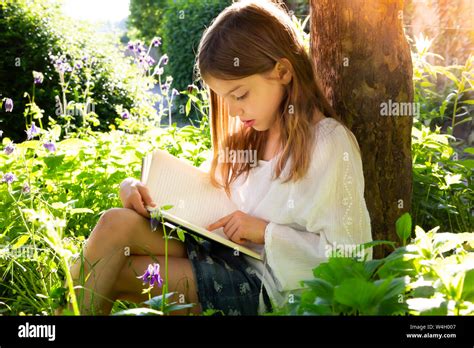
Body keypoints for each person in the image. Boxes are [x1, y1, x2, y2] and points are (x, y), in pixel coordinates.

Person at [69, 0, 372, 316]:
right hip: (220, 252)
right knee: (115, 224)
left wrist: (265, 232)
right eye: (223, 99)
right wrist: (139, 189)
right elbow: (205, 205)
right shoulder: (247, 139)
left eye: (239, 95)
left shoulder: (328, 144)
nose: (232, 111)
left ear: (283, 71)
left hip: (267, 284)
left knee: (110, 271)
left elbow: (350, 259)